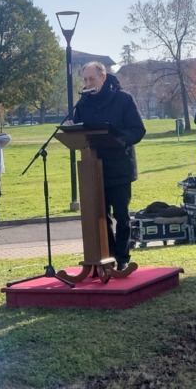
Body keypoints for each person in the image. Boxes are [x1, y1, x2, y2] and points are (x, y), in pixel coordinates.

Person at [72, 61, 147, 271]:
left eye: (91, 79)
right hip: (94, 170)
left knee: (121, 215)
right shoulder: (83, 103)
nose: (87, 83)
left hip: (120, 167)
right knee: (100, 216)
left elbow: (138, 130)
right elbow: (79, 131)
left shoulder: (123, 99)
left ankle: (123, 258)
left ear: (103, 78)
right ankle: (109, 255)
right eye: (85, 79)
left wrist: (120, 139)